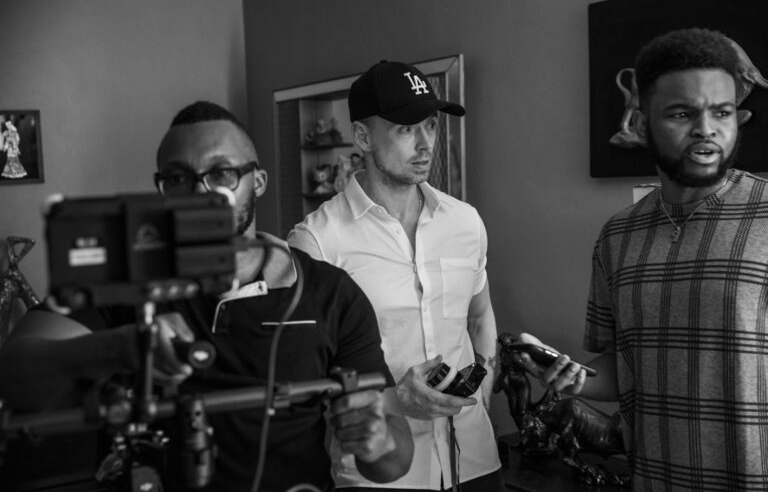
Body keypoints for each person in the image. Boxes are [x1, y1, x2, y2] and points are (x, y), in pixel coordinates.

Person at [0, 101, 414, 492]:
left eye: (221, 173)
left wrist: (379, 443)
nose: (201, 194)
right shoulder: (121, 281)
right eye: (179, 178)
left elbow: (394, 461)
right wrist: (123, 349)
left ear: (259, 181)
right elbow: (15, 373)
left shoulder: (329, 293)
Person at [519, 28, 768, 490]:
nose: (706, 129)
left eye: (722, 112)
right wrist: (570, 379)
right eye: (682, 113)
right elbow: (625, 367)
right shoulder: (618, 235)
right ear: (642, 123)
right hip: (653, 479)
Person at [288, 61, 502, 492]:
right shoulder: (317, 242)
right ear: (363, 137)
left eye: (430, 126)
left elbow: (479, 318)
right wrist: (393, 402)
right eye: (406, 129)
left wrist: (482, 389)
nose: (425, 144)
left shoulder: (465, 222)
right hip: (382, 474)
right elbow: (303, 381)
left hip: (475, 462)